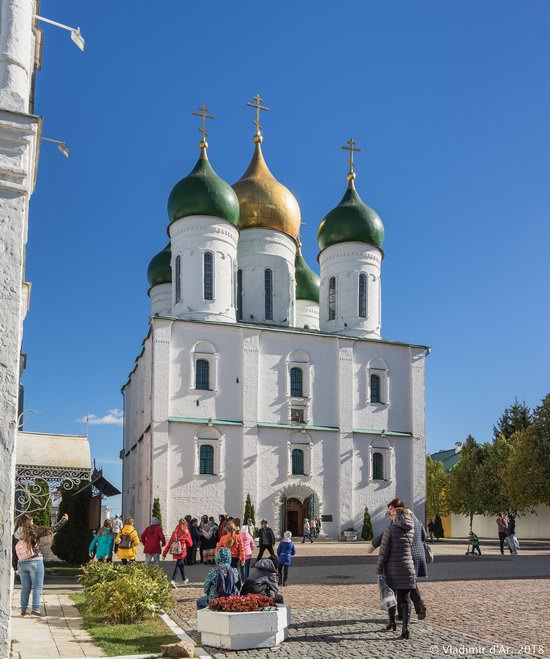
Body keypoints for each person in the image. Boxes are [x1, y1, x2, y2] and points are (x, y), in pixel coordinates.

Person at [370, 504, 428, 621]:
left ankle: (406, 613)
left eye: (391, 509)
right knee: (409, 583)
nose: (390, 512)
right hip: (417, 555)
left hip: (405, 555)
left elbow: (384, 536)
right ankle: (415, 609)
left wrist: (373, 545)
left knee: (401, 583)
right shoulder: (416, 519)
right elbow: (424, 535)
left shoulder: (398, 520)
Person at [13, 513, 69, 617]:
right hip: (35, 561)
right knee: (37, 587)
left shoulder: (15, 534)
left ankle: (23, 610)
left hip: (22, 563)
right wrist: (63, 521)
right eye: (32, 521)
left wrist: (15, 567)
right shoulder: (35, 531)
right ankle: (35, 609)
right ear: (30, 521)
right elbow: (52, 529)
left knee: (25, 588)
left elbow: (13, 552)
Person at [376, 499, 416, 640]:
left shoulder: (390, 529)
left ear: (396, 512)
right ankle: (406, 627)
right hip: (408, 567)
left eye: (390, 510)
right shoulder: (411, 527)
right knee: (405, 599)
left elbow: (384, 552)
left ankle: (392, 622)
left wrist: (379, 569)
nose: (389, 513)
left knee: (390, 595)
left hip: (392, 568)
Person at [163, 518, 193, 587]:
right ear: (186, 524)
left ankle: (184, 579)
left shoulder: (174, 532)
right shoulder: (186, 532)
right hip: (182, 551)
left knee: (181, 564)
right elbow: (190, 544)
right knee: (178, 565)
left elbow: (170, 543)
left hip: (175, 551)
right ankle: (173, 580)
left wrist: (164, 553)